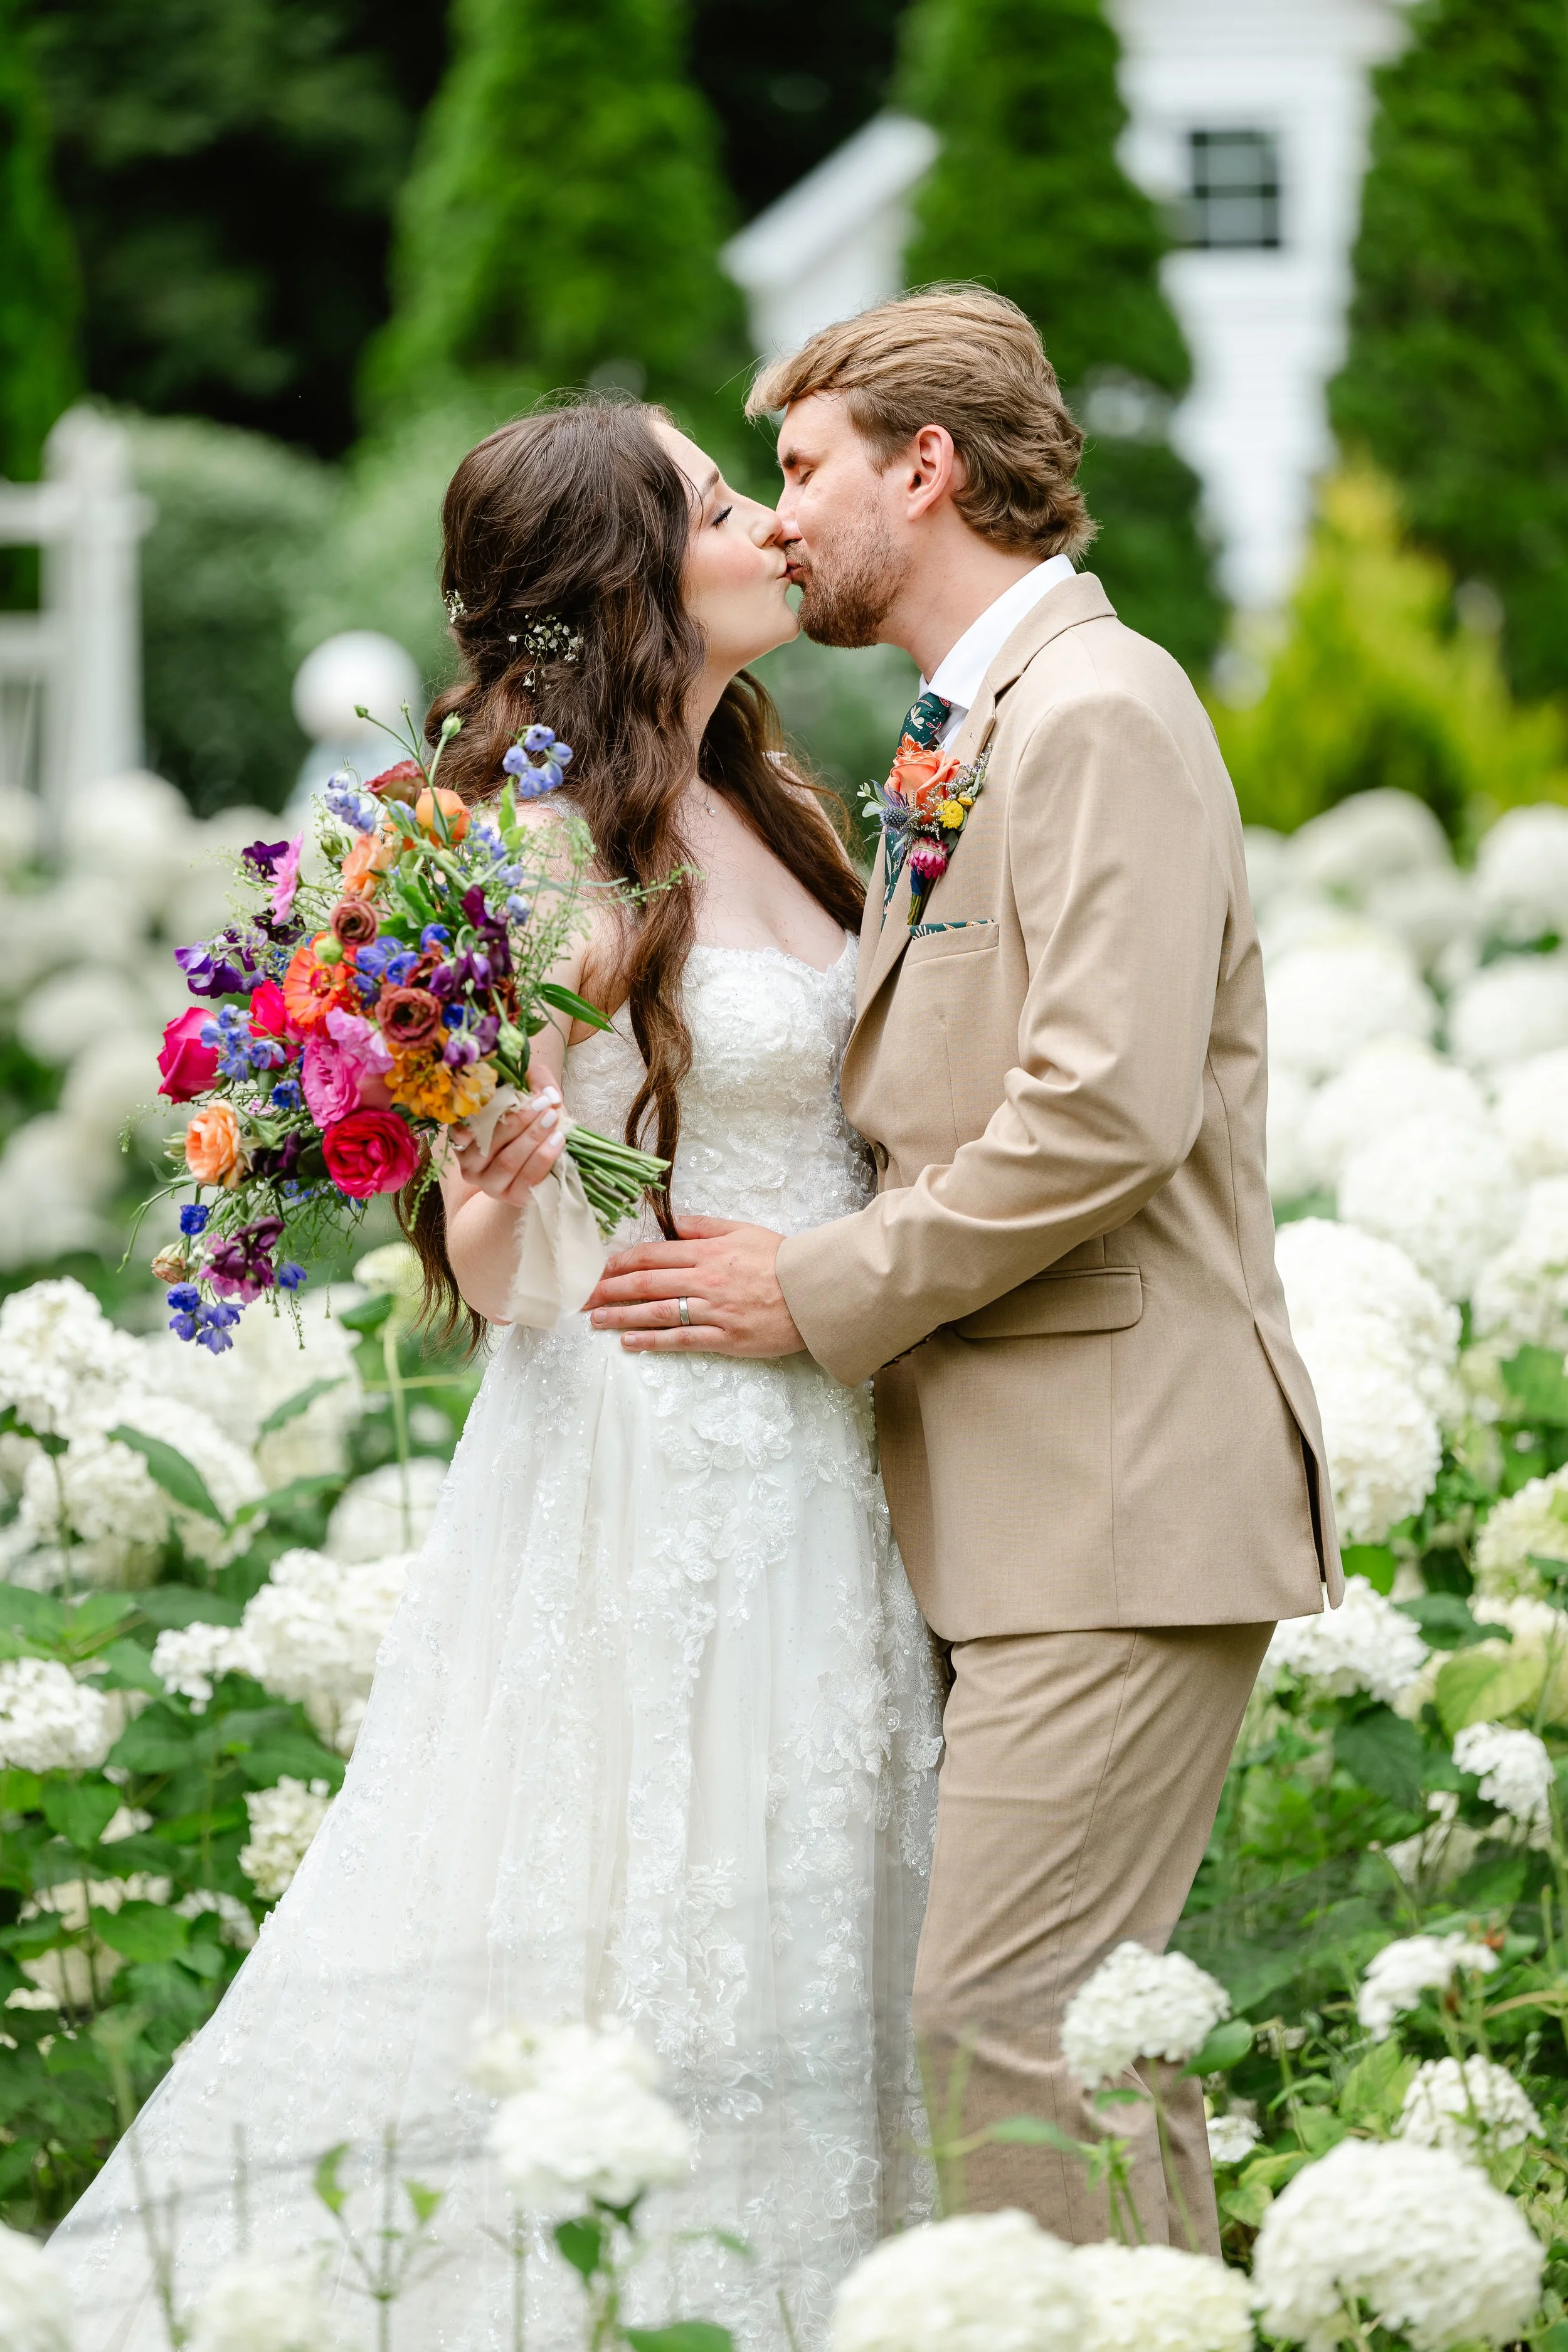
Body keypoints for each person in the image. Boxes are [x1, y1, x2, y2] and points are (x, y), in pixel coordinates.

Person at [50, 400, 940, 2352]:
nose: (768, 525)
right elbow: (497, 1260)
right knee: (645, 1910)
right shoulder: (525, 846)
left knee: (826, 1893)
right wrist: (502, 1164)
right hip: (655, 1437)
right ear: (631, 581)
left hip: (824, 1431)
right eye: (719, 503)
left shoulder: (777, 798)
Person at [585, 285, 1344, 2253]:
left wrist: (812, 1289)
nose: (778, 514)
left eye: (805, 469)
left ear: (925, 471)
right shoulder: (970, 725)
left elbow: (1100, 1113)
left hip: (1117, 1481)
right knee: (1069, 2046)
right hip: (1007, 1492)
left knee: (1006, 2030)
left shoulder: (1098, 711)